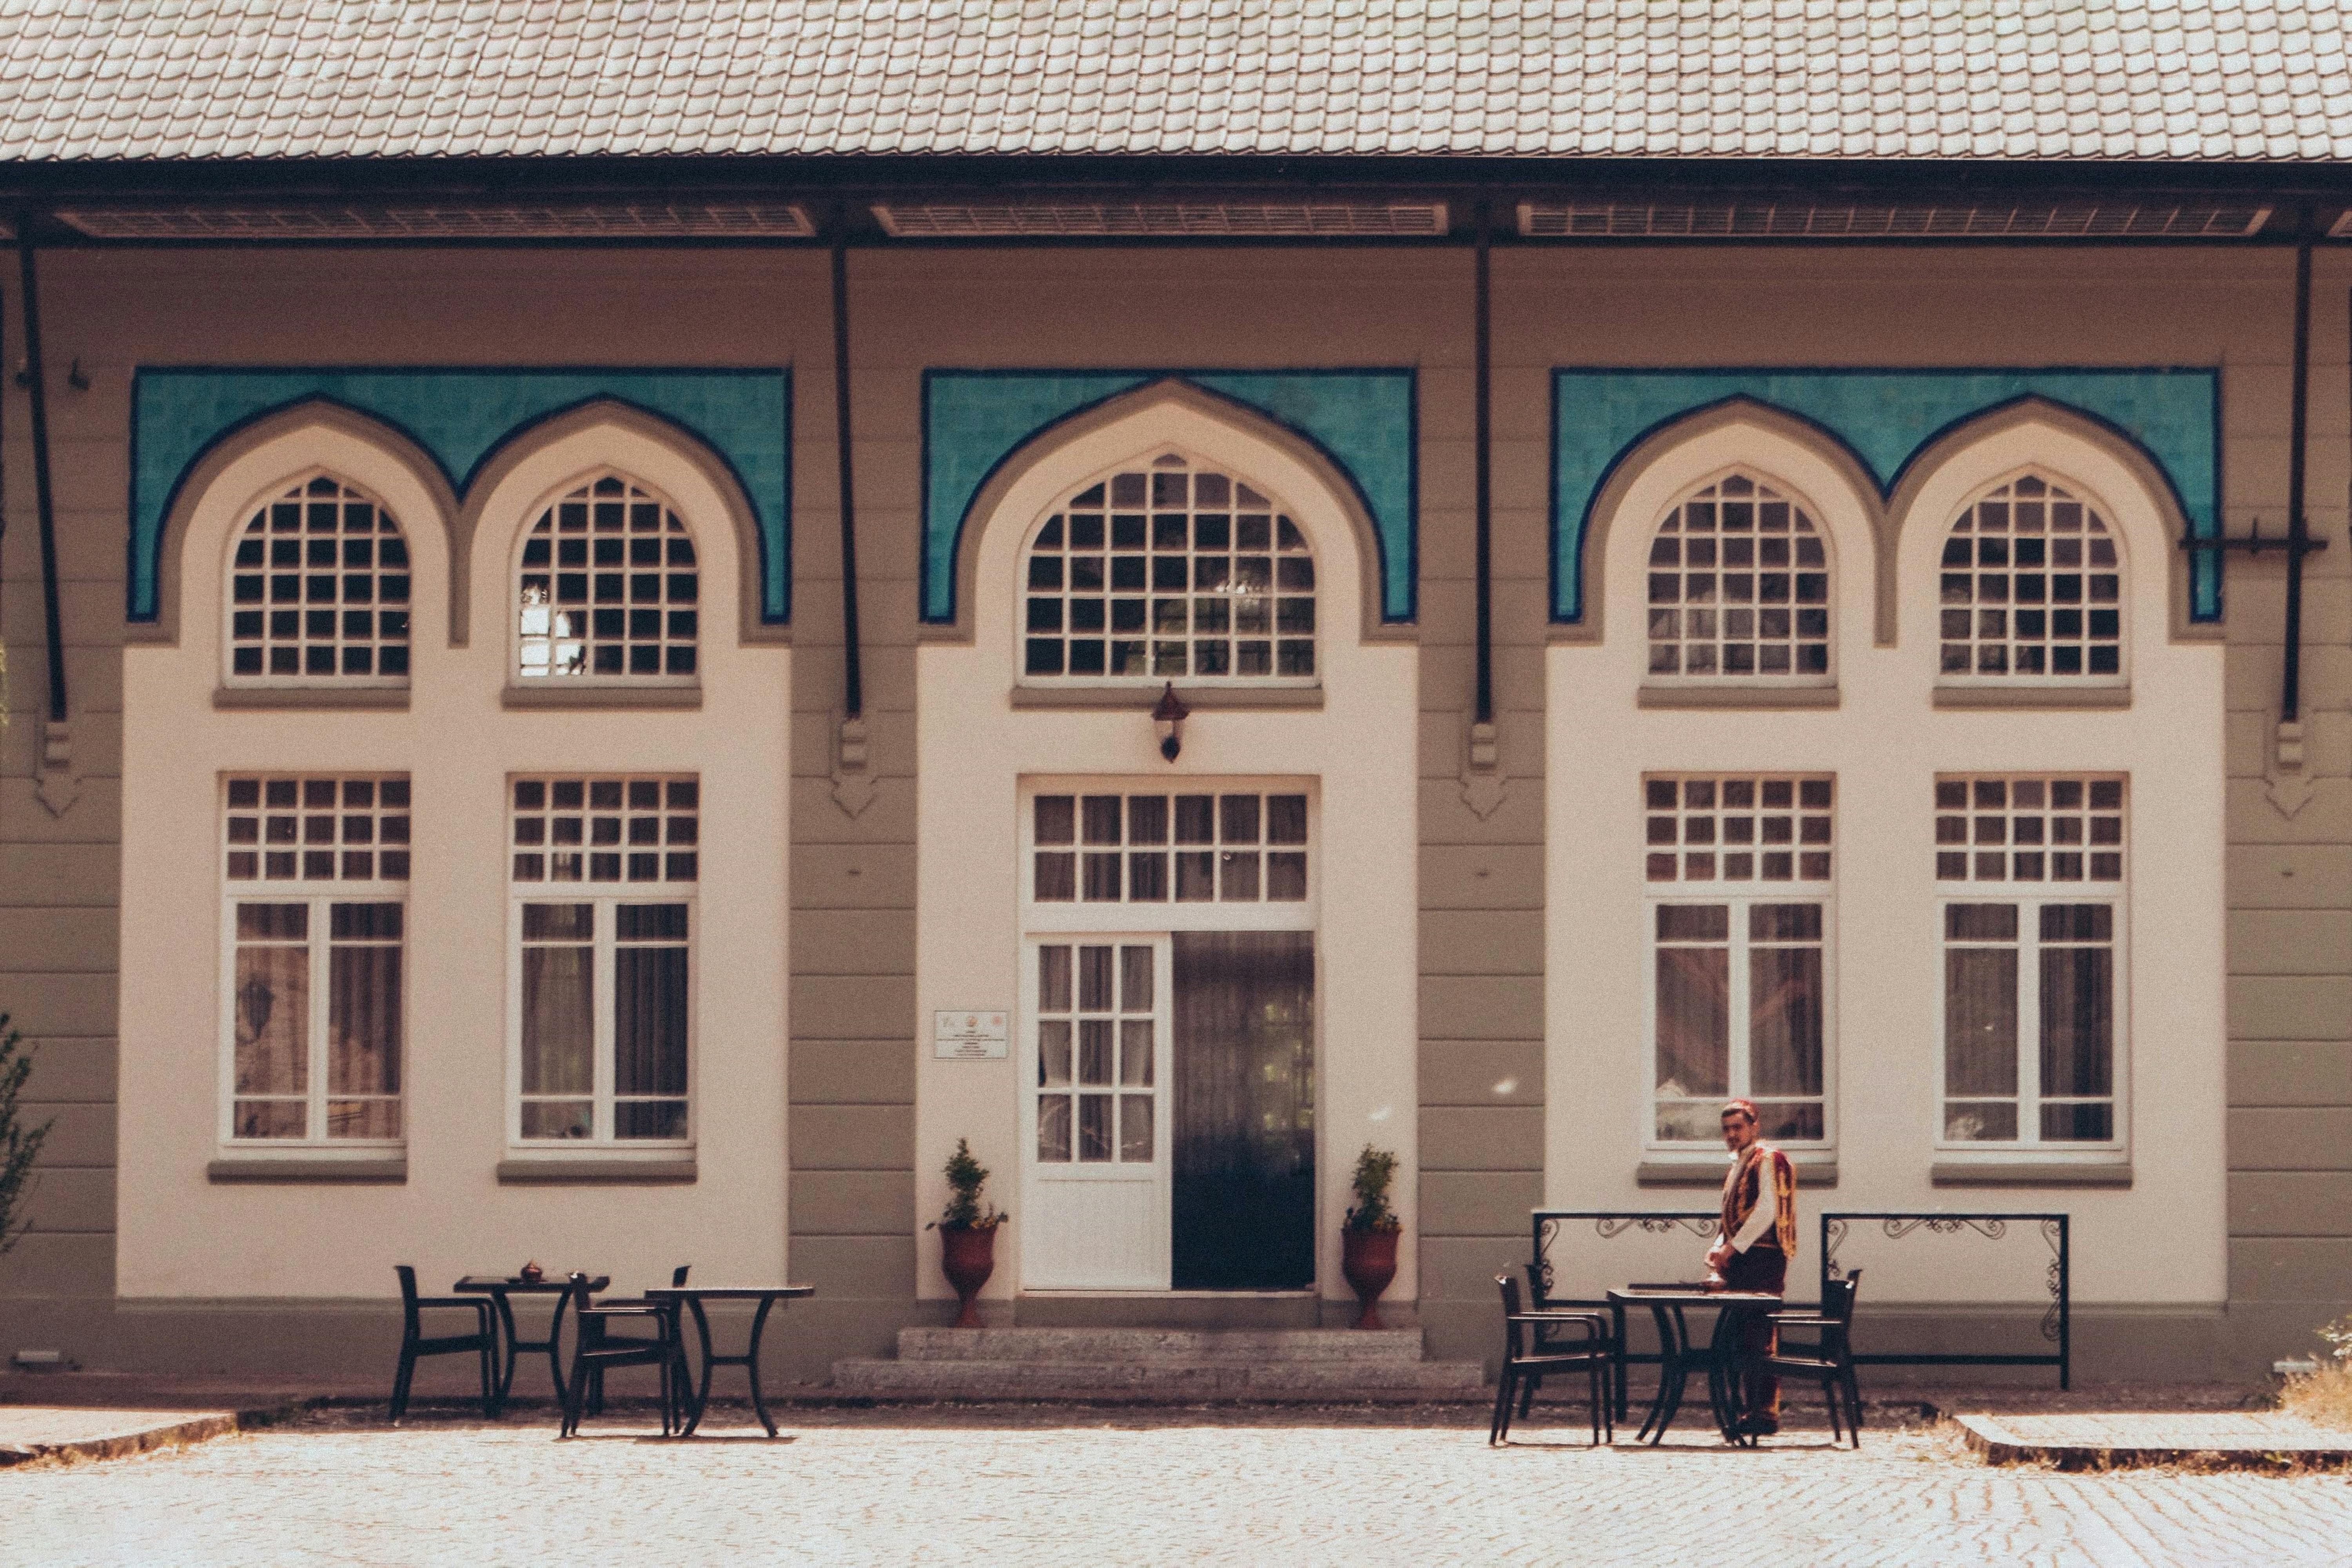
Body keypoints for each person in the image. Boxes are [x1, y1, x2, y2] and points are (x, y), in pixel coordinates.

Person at [1702, 1098, 1798, 1436]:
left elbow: (1767, 1211)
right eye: (1726, 1129)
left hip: (1764, 1257)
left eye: (1737, 1127)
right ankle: (1749, 1410)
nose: (1731, 1134)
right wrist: (1718, 1247)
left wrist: (1732, 1248)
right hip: (1742, 1258)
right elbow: (1727, 1220)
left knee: (1760, 1335)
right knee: (1743, 1336)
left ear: (1755, 1127)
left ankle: (1765, 1413)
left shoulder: (1769, 1159)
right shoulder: (1738, 1166)